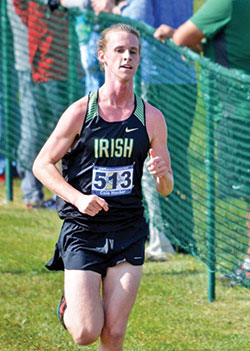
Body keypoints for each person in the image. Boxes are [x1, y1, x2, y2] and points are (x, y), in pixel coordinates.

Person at [33, 23, 173, 348]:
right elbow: (42, 164)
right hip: (84, 229)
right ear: (103, 58)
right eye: (119, 51)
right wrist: (78, 198)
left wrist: (162, 173)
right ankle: (68, 305)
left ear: (139, 59)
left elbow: (165, 188)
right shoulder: (81, 112)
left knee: (115, 331)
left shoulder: (151, 118)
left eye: (133, 51)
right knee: (86, 332)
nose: (127, 57)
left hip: (128, 229)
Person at [154, 0, 250, 278]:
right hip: (237, 106)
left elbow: (184, 37)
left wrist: (176, 36)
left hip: (237, 110)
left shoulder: (227, 3)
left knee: (247, 194)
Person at [13, 0, 69, 209]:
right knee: (33, 132)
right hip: (36, 69)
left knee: (67, 137)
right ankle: (31, 194)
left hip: (63, 71)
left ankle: (62, 197)